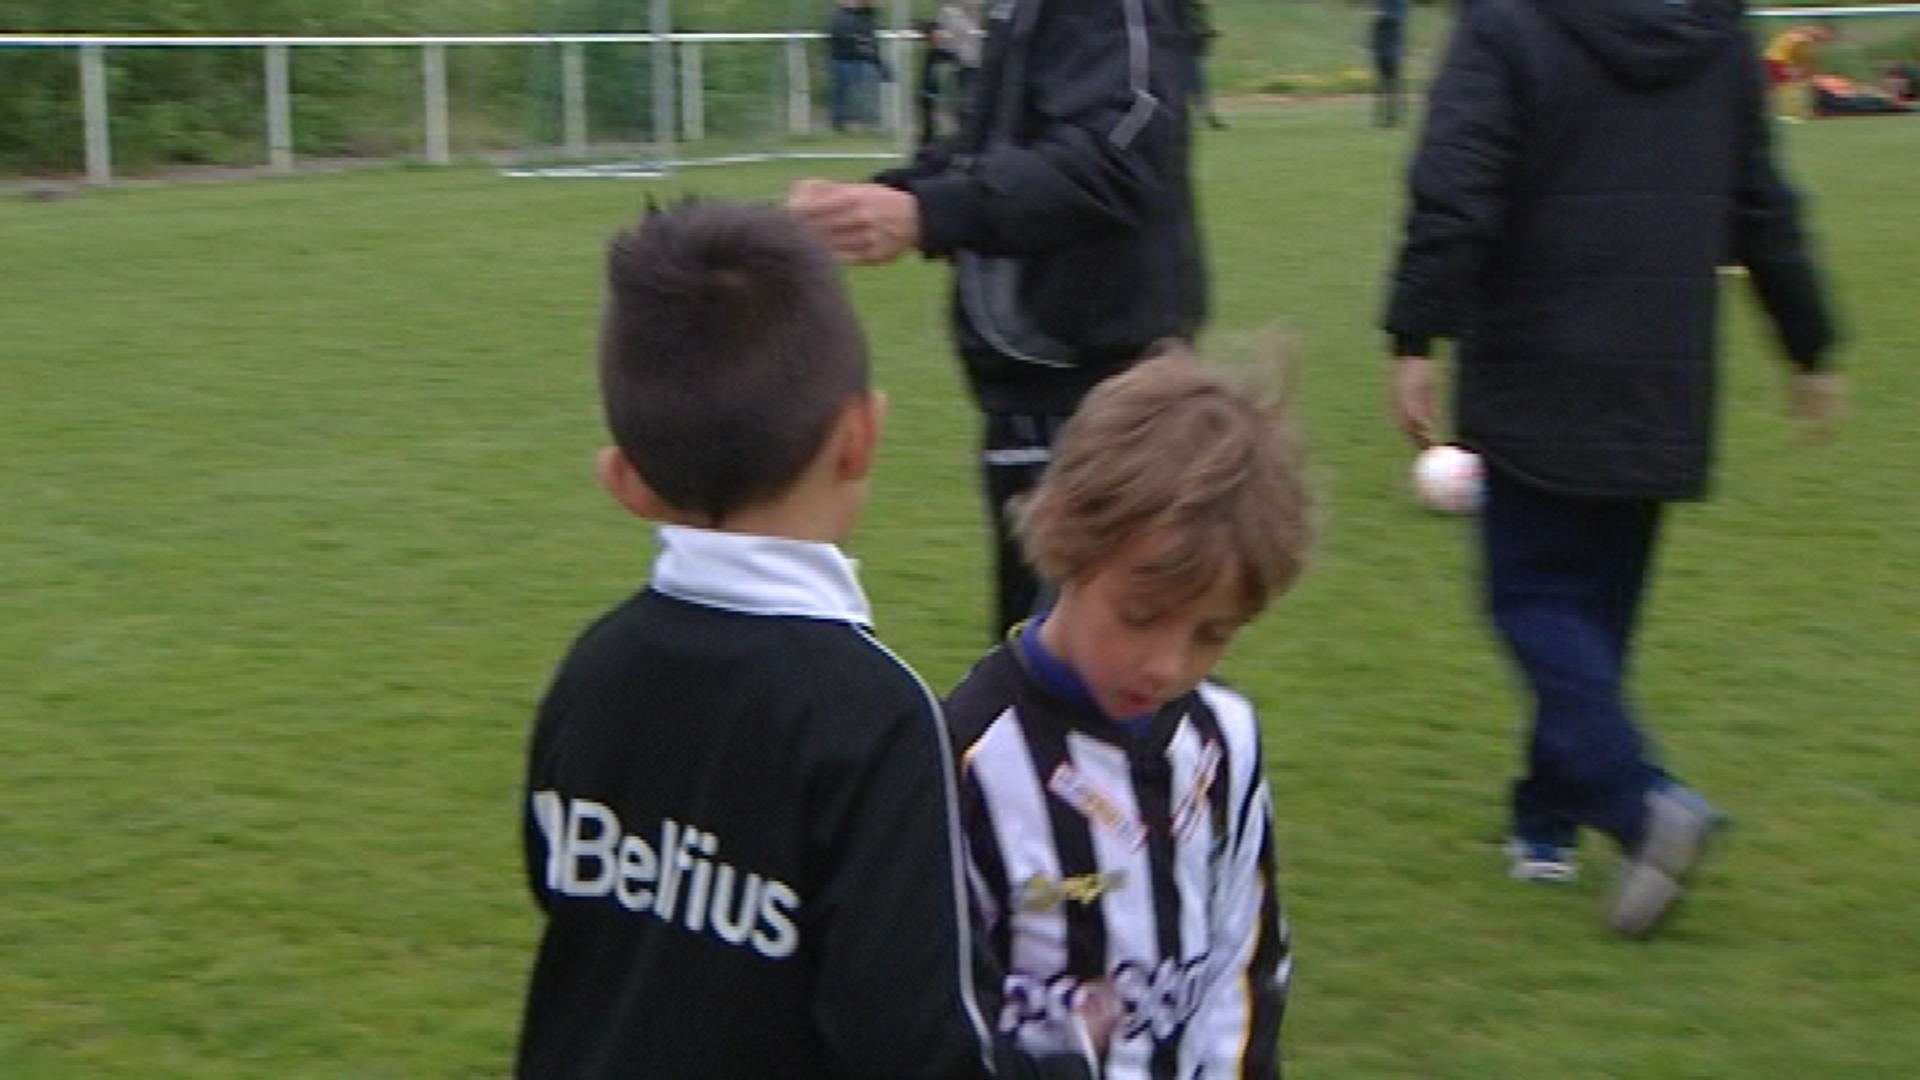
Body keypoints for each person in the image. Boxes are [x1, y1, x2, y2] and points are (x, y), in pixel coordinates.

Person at [514, 198, 1106, 1079]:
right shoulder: (872, 716)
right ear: (861, 433)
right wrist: (1073, 1060)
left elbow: (566, 895)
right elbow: (915, 1048)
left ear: (624, 481)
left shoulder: (595, 665)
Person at [1382, 0, 1843, 938]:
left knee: (1534, 604)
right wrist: (1808, 341)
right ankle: (1544, 825)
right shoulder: (1711, 28)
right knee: (1593, 619)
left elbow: (1457, 178)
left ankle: (1640, 807)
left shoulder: (1506, 22)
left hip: (1535, 358)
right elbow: (1760, 196)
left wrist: (1414, 330)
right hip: (1661, 366)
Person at [788, 0, 1205, 641]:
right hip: (1028, 391)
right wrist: (889, 197)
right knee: (1035, 669)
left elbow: (1122, 153)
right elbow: (996, 150)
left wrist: (929, 214)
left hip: (1094, 392)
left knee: (1099, 672)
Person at [946, 347, 1311, 1077]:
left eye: (1212, 633)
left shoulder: (1225, 742)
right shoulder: (968, 758)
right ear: (1065, 543)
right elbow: (937, 1017)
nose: (1168, 665)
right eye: (1141, 616)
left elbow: (1244, 961)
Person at [828, 0, 888, 132]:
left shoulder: (866, 13)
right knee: (840, 95)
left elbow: (877, 4)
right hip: (841, 58)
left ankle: (872, 124)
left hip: (863, 59)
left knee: (868, 93)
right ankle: (838, 124)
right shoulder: (838, 14)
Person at [1763, 22, 1834, 121]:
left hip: (1775, 60)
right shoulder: (1803, 38)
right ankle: (1793, 114)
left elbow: (1801, 58)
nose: (1824, 41)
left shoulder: (1801, 38)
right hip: (1777, 61)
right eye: (1825, 38)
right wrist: (1805, 71)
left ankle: (1788, 113)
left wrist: (1807, 70)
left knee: (1777, 87)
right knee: (1793, 86)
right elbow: (1801, 57)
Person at [1185, 0, 1228, 129]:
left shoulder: (1198, 9)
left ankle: (1206, 116)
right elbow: (1189, 30)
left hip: (1196, 52)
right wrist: (1210, 32)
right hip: (1187, 52)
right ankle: (1206, 117)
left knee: (1199, 86)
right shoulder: (1188, 10)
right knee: (1197, 86)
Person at [1368, 0, 1408, 128]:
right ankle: (1379, 117)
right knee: (1380, 82)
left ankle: (1395, 117)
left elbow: (1398, 19)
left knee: (1393, 82)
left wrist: (1381, 14)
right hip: (1380, 44)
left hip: (1393, 45)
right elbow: (1374, 26)